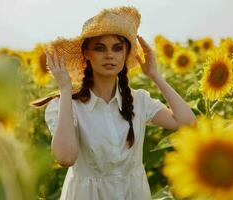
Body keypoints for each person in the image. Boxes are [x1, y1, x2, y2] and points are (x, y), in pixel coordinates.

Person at [32, 6, 197, 200]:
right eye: (100, 48)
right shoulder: (63, 105)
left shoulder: (139, 100)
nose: (110, 55)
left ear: (126, 54)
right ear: (86, 53)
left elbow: (188, 124)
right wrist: (65, 89)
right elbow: (66, 158)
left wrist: (154, 75)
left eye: (117, 48)